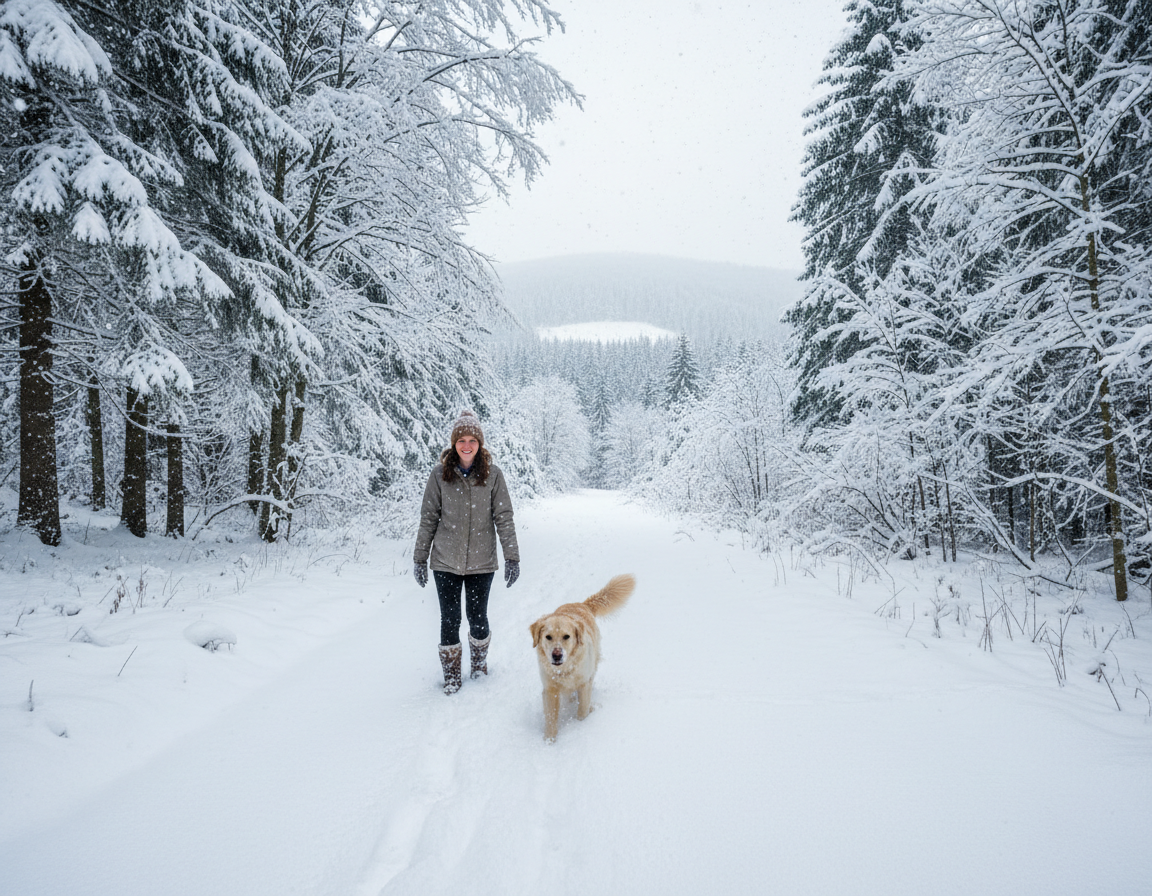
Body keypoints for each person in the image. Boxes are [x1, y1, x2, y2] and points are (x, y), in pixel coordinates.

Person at [413, 410, 520, 694]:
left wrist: (512, 556)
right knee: (449, 619)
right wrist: (420, 558)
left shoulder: (493, 475)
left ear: (480, 444)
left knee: (477, 617)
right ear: (454, 443)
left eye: (473, 439)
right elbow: (428, 518)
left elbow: (504, 517)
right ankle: (451, 675)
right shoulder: (439, 476)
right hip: (445, 561)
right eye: (461, 439)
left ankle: (480, 666)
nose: (467, 445)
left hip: (482, 563)